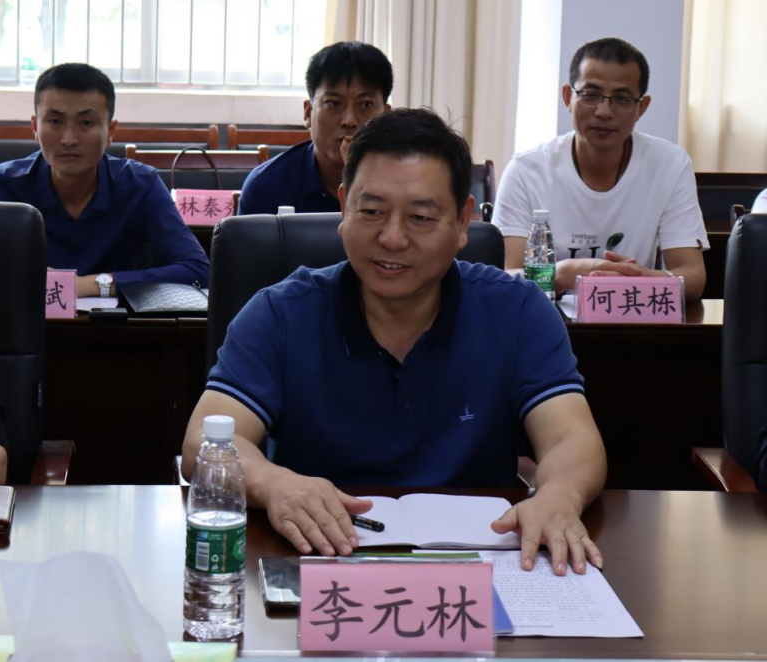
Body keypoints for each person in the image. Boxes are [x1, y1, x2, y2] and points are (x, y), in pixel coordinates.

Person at [184, 108, 607, 575]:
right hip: (322, 559)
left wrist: (558, 496)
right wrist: (273, 483)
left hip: (481, 567)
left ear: (462, 221)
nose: (391, 237)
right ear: (343, 207)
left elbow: (571, 437)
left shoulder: (518, 310)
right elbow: (204, 439)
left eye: (421, 217)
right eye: (371, 211)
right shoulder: (281, 312)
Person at [492, 37, 708, 301]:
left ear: (641, 108)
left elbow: (693, 276)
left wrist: (633, 278)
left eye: (621, 98)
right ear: (568, 97)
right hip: (544, 319)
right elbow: (506, 277)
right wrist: (563, 274)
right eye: (590, 95)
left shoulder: (670, 164)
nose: (604, 111)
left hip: (631, 317)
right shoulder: (526, 170)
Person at [0, 63, 209, 297]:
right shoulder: (5, 185)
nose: (69, 139)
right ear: (35, 127)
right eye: (55, 122)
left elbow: (198, 270)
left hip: (117, 320)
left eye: (86, 123)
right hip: (22, 318)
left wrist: (94, 284)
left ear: (110, 131)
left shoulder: (140, 185)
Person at [237, 41, 392, 215]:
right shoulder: (266, 186)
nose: (349, 121)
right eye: (334, 103)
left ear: (386, 117)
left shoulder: (407, 185)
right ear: (308, 112)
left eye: (366, 105)